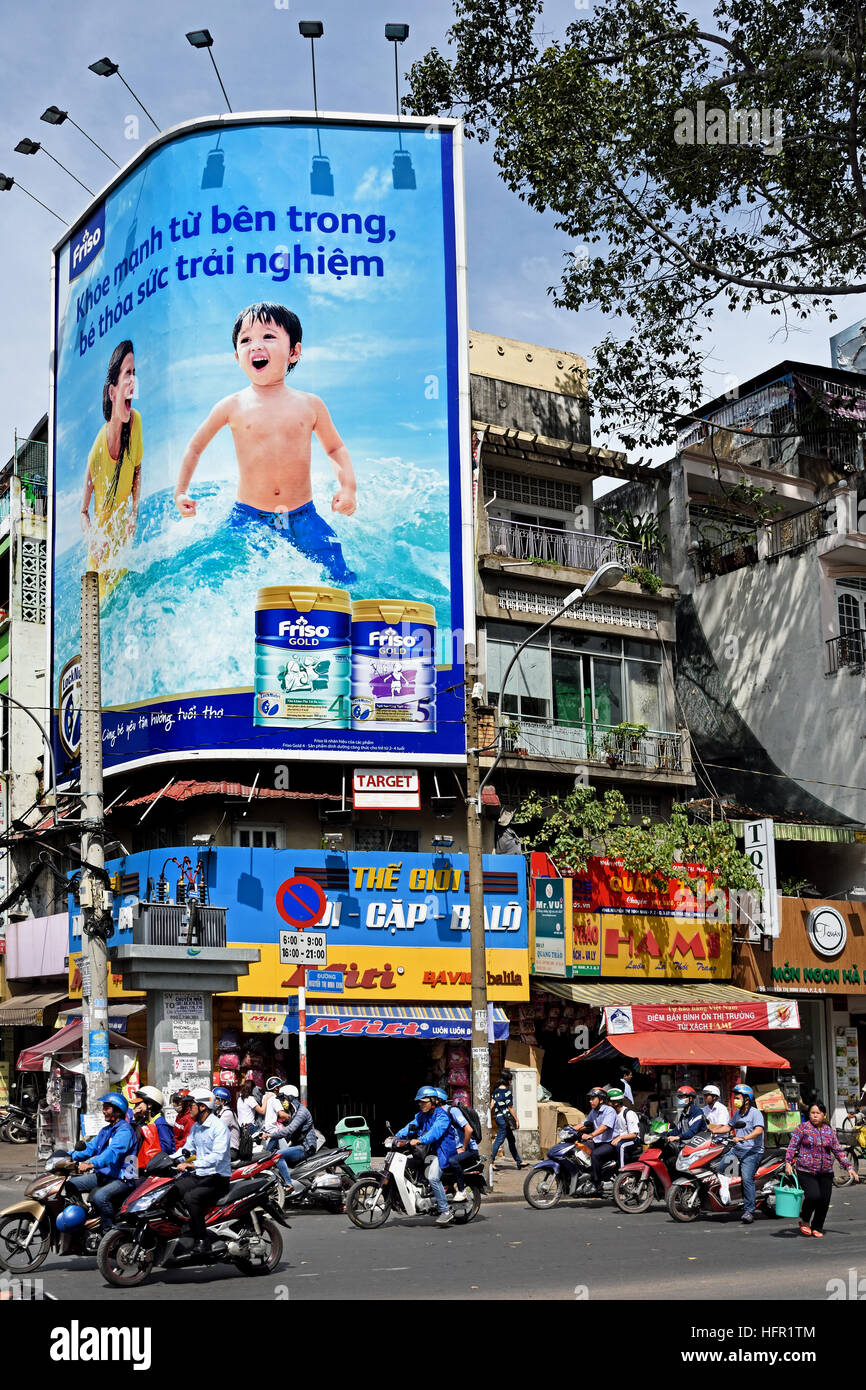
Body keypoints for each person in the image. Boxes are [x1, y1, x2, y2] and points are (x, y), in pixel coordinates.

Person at [174, 302, 358, 586]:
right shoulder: (231, 405)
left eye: (268, 336)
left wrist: (348, 488)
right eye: (246, 340)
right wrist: (181, 491)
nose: (255, 346)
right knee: (226, 574)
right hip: (248, 517)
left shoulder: (310, 405)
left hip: (302, 516)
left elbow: (335, 448)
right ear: (237, 356)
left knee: (336, 570)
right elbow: (195, 447)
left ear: (294, 352)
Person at [80, 340, 142, 600]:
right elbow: (83, 511)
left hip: (123, 560)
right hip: (99, 567)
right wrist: (93, 539)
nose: (133, 381)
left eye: (134, 373)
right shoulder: (96, 451)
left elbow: (137, 470)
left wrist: (134, 514)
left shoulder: (136, 422)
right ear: (112, 391)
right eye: (127, 373)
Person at [66, 1092, 139, 1234]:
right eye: (103, 1107)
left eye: (107, 1108)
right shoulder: (106, 1130)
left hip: (124, 1177)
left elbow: (112, 1153)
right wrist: (68, 1156)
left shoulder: (125, 1131)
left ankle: (108, 1231)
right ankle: (86, 1216)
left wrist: (91, 1164)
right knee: (70, 1184)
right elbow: (90, 1148)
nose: (103, 1111)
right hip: (106, 1175)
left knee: (100, 1197)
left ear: (117, 1111)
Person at [785, 1100, 860, 1236]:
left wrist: (849, 1167)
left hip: (825, 1171)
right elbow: (792, 1146)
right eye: (812, 1113)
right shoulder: (802, 1128)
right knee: (813, 1196)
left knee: (824, 1201)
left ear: (824, 1115)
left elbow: (838, 1150)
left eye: (817, 1113)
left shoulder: (829, 1131)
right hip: (806, 1170)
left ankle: (817, 1227)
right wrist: (788, 1162)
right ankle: (805, 1220)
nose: (814, 1116)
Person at [174, 1089, 232, 1256]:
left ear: (202, 1107)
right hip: (200, 1175)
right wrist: (166, 1159)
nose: (189, 1108)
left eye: (191, 1105)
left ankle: (202, 1239)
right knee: (172, 1189)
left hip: (217, 1178)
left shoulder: (219, 1127)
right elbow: (186, 1149)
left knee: (192, 1197)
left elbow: (218, 1156)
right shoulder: (197, 1128)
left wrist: (192, 1164)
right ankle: (182, 1230)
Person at [396, 1086, 458, 1227]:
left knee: (433, 1177)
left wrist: (420, 1139)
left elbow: (434, 1133)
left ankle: (445, 1211)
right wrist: (396, 1136)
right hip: (428, 1152)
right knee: (408, 1165)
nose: (421, 1104)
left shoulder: (442, 1116)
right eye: (420, 1102)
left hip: (442, 1152)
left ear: (433, 1101)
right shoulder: (421, 1116)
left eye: (424, 1101)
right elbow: (410, 1126)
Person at [728, 1083, 765, 1224]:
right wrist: (713, 1130)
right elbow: (728, 1126)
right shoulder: (737, 1113)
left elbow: (758, 1131)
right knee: (722, 1170)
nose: (735, 1100)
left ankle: (749, 1211)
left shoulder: (755, 1113)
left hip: (752, 1152)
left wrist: (742, 1138)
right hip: (738, 1149)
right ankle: (732, 1200)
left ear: (747, 1099)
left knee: (746, 1178)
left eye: (737, 1098)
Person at [265, 1084, 317, 1185]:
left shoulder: (302, 1112)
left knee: (277, 1156)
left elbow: (289, 1130)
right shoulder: (295, 1112)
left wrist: (270, 1135)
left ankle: (288, 1184)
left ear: (290, 1097)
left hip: (305, 1148)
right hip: (299, 1146)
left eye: (283, 1098)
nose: (282, 1101)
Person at [436, 1088, 478, 1203]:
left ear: (438, 1100)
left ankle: (462, 1191)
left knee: (453, 1161)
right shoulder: (437, 1114)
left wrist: (463, 1148)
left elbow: (468, 1130)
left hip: (470, 1149)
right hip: (454, 1148)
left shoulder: (452, 1111)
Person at [582, 1087, 618, 1193]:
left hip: (609, 1143)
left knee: (595, 1154)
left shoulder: (609, 1111)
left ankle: (597, 1182)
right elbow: (584, 1124)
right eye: (590, 1099)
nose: (590, 1101)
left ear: (601, 1100)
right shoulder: (593, 1112)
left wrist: (591, 1135)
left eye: (593, 1098)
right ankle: (586, 1175)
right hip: (597, 1142)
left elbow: (604, 1127)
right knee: (580, 1149)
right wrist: (570, 1130)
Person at [132, 1086, 175, 1171]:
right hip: (142, 1165)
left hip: (156, 1168)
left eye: (138, 1104)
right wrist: (134, 1119)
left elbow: (166, 1149)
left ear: (149, 1105)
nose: (135, 1108)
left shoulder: (160, 1124)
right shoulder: (144, 1121)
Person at [490, 1070, 524, 1170]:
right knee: (498, 1141)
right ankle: (490, 1162)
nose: (511, 1082)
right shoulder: (507, 1092)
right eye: (510, 1080)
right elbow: (510, 1108)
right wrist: (516, 1120)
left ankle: (519, 1161)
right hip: (505, 1119)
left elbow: (491, 1105)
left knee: (511, 1140)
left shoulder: (496, 1090)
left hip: (498, 1118)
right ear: (508, 1081)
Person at [608, 1088, 641, 1169]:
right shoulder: (611, 1114)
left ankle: (622, 1172)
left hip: (633, 1140)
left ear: (615, 1103)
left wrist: (620, 1137)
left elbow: (634, 1134)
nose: (607, 1104)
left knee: (621, 1146)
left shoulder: (628, 1113)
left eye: (608, 1102)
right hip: (619, 1139)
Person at [213, 1086, 241, 1156]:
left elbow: (215, 1131)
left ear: (222, 1101)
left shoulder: (227, 1113)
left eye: (215, 1100)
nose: (212, 1102)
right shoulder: (220, 1112)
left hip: (231, 1150)